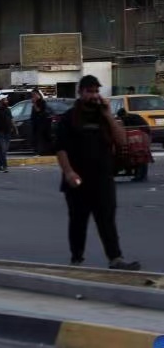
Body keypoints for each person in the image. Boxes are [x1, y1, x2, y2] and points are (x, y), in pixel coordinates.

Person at [55, 75, 140, 270]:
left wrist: (109, 115)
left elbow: (122, 141)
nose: (93, 95)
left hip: (103, 179)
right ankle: (76, 259)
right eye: (89, 91)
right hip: (77, 180)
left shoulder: (103, 117)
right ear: (80, 92)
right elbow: (61, 149)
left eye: (96, 91)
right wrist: (68, 172)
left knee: (107, 220)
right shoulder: (69, 118)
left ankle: (115, 258)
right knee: (78, 222)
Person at [116, 107, 152, 183]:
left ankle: (139, 176)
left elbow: (126, 129)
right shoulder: (133, 116)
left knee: (139, 157)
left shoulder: (127, 118)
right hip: (143, 136)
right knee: (142, 157)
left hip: (140, 138)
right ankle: (141, 175)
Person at [30, 89, 53, 155]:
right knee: (36, 138)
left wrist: (34, 103)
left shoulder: (42, 102)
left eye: (34, 95)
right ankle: (38, 151)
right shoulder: (36, 102)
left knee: (41, 138)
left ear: (38, 94)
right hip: (35, 123)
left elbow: (38, 110)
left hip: (41, 123)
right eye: (32, 95)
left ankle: (41, 152)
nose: (33, 96)